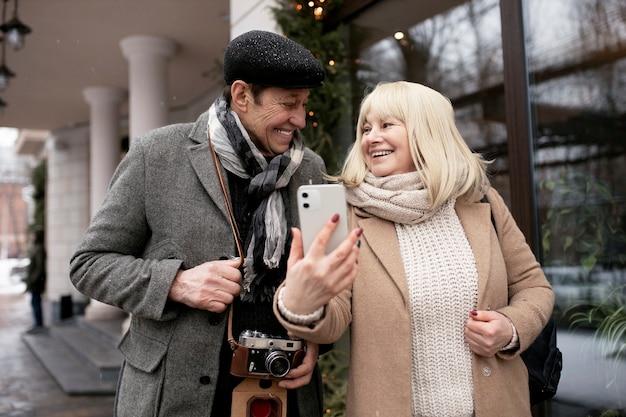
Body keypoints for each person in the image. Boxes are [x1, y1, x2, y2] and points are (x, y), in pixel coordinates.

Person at [69, 30, 360, 417]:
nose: (300, 120)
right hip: (173, 397)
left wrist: (315, 342)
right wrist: (175, 283)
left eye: (303, 104)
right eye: (288, 104)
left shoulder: (311, 169)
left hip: (283, 395)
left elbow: (333, 281)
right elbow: (89, 264)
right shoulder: (155, 155)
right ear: (241, 96)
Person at [273, 81, 555, 417]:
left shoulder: (479, 200)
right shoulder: (336, 212)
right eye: (366, 128)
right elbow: (332, 320)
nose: (370, 138)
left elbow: (534, 287)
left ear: (427, 131)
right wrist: (302, 304)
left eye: (386, 125)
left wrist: (509, 329)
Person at [24, 228, 46, 329]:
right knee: (34, 301)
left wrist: (33, 279)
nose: (32, 237)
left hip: (36, 281)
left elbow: (39, 267)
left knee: (36, 301)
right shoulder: (35, 247)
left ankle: (39, 324)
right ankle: (37, 323)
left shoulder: (39, 249)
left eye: (33, 235)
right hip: (35, 281)